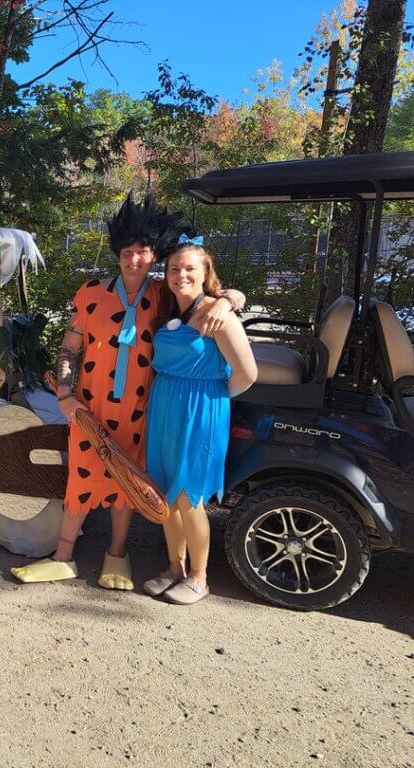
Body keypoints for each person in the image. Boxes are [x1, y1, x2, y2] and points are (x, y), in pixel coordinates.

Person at [11, 192, 245, 589]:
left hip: (142, 411)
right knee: (80, 479)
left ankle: (115, 555)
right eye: (126, 251)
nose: (133, 259)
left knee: (126, 483)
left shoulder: (164, 296)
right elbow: (70, 347)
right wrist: (65, 395)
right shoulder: (91, 293)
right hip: (89, 407)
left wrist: (231, 299)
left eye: (142, 251)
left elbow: (205, 293)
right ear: (117, 254)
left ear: (154, 255)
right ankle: (63, 555)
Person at [142, 239, 257, 604]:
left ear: (206, 274)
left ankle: (199, 576)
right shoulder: (167, 308)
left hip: (201, 410)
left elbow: (247, 373)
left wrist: (213, 400)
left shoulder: (217, 314)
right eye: (174, 269)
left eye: (190, 268)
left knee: (190, 497)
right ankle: (174, 569)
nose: (181, 275)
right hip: (165, 408)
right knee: (165, 492)